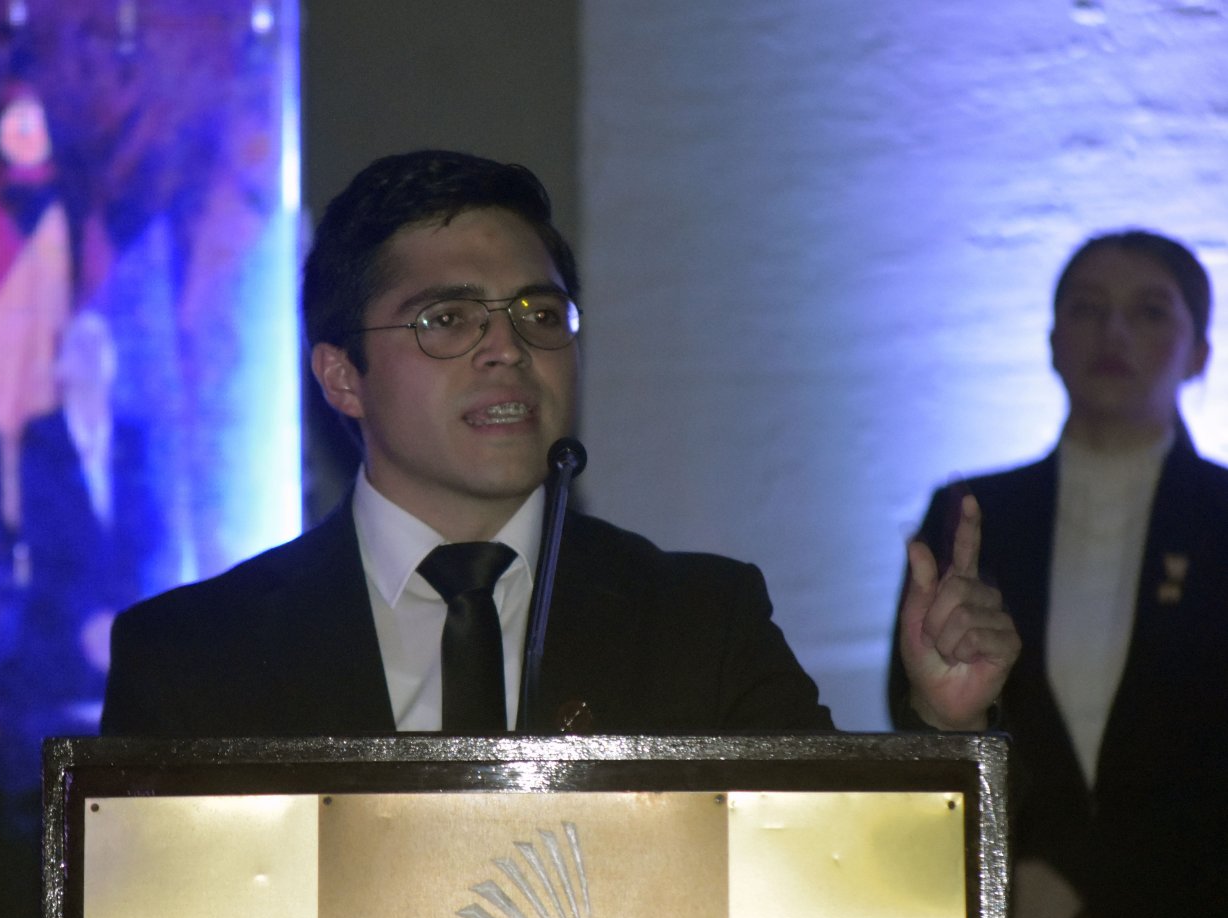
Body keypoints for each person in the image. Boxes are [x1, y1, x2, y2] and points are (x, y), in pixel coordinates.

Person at [102, 149, 1016, 738]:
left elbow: (830, 891)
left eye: (539, 314)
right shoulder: (194, 656)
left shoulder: (701, 623)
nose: (507, 348)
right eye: (447, 318)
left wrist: (945, 727)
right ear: (342, 377)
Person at [887, 230, 1228, 918]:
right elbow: (917, 720)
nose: (1114, 333)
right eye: (1087, 308)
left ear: (1200, 352)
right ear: (1049, 343)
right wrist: (1047, 913)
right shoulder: (973, 513)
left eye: (1148, 312)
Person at [18, 309, 162, 706]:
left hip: (128, 629)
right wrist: (87, 621)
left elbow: (148, 536)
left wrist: (119, 620)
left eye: (100, 343)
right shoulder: (40, 439)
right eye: (80, 344)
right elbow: (43, 543)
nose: (92, 353)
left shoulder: (134, 441)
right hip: (62, 634)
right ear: (59, 366)